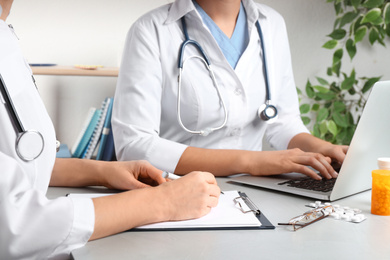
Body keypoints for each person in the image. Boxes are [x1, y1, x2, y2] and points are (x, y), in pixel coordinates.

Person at [0, 1, 220, 259]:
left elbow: (20, 161)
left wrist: (103, 172)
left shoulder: (6, 33)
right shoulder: (149, 29)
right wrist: (164, 202)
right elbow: (17, 227)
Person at [112, 0, 348, 181]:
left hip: (256, 191)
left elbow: (282, 122)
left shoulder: (271, 24)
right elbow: (135, 146)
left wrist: (322, 150)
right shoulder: (150, 31)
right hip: (179, 190)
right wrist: (250, 161)